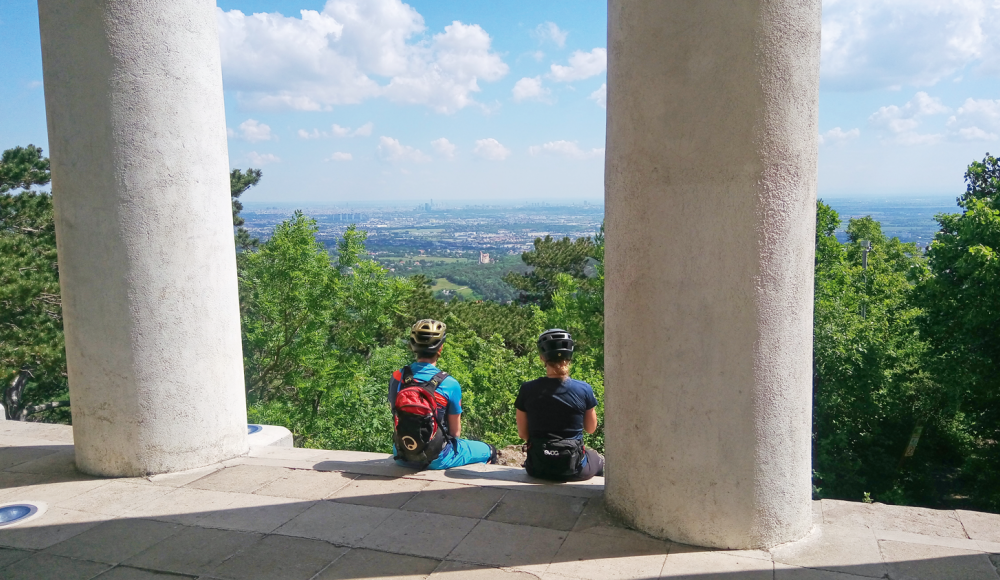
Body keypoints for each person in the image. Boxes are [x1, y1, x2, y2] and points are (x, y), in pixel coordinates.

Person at [388, 319, 497, 469]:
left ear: (413, 346)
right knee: (489, 451)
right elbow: (455, 433)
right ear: (440, 349)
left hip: (401, 454)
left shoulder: (397, 377)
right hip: (437, 458)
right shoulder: (449, 384)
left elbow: (396, 414)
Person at [515, 329, 604, 481]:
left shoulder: (527, 389)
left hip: (537, 468)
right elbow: (591, 428)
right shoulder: (584, 389)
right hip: (573, 468)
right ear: (570, 356)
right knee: (599, 460)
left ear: (542, 357)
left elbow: (523, 434)